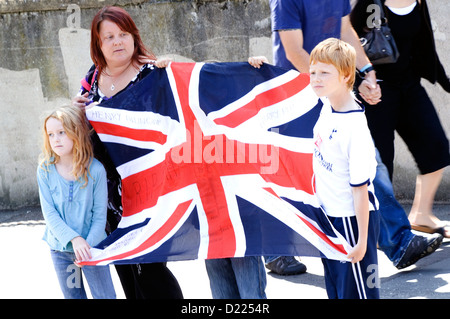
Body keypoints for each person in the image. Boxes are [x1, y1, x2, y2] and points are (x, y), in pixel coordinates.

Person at [269, 0, 442, 271]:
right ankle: (274, 249)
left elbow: (346, 31)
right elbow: (293, 51)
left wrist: (366, 70)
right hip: (295, 95)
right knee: (292, 174)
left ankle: (400, 243)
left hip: (329, 88)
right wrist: (332, 84)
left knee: (368, 164)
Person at [72, 6, 183, 299]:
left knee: (152, 271)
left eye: (123, 34)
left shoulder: (153, 74)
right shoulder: (92, 79)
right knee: (126, 268)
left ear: (134, 37)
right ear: (98, 44)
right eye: (108, 37)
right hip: (107, 196)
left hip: (149, 192)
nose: (117, 41)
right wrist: (76, 114)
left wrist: (250, 68)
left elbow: (189, 106)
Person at [351, 0, 450, 238]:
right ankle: (375, 228)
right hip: (376, 89)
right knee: (380, 161)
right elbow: (348, 40)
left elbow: (426, 46)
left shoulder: (417, 1)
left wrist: (447, 83)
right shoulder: (370, 1)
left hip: (409, 85)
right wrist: (359, 82)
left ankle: (421, 215)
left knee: (436, 146)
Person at [310, 38, 380, 299]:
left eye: (324, 73)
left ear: (346, 75)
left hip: (351, 221)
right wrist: (257, 66)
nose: (316, 78)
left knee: (358, 294)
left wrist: (362, 241)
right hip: (328, 217)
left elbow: (360, 190)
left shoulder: (354, 128)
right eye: (313, 71)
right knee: (338, 292)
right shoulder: (327, 103)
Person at [37, 105, 116, 299]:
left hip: (92, 249)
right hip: (61, 251)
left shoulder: (96, 170)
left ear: (76, 133)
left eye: (61, 132)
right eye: (51, 134)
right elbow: (50, 214)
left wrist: (86, 247)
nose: (55, 139)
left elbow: (99, 216)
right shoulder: (45, 170)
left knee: (104, 296)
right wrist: (74, 240)